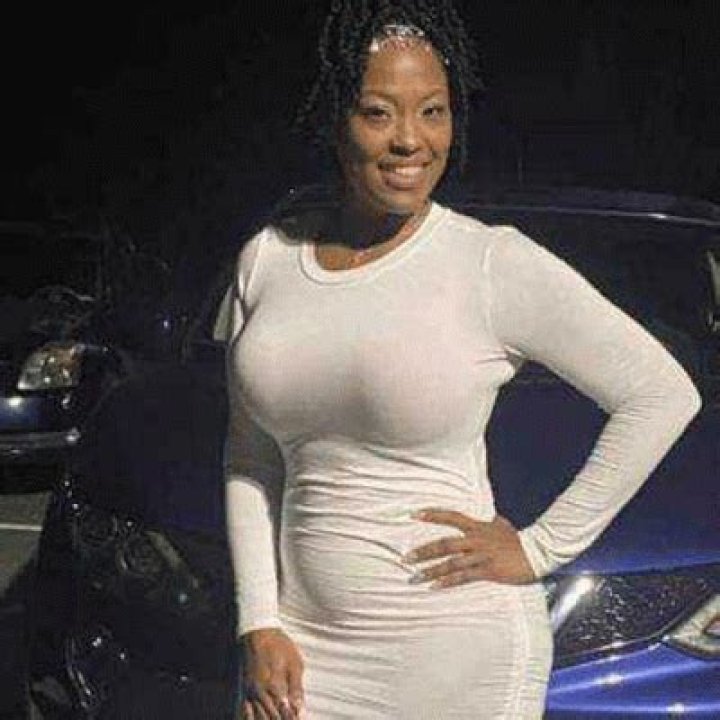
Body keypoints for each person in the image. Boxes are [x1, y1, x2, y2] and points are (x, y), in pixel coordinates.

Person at [224, 1, 701, 718]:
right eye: (378, 113)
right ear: (334, 121)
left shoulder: (487, 262)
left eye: (433, 112)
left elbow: (661, 392)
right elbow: (251, 459)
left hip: (453, 654)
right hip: (303, 656)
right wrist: (258, 620)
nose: (409, 140)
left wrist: (540, 549)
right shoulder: (267, 261)